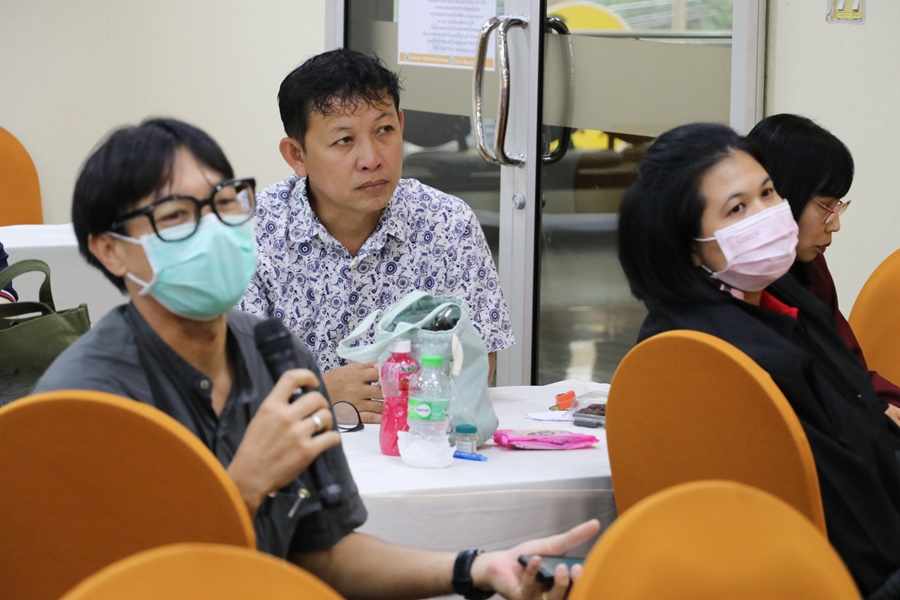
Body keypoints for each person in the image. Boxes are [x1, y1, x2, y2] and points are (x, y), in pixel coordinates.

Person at [34, 117, 598, 600]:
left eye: (224, 203)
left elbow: (324, 554)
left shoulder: (274, 357)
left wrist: (477, 569)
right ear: (110, 250)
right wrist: (243, 486)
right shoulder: (85, 400)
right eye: (178, 216)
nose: (214, 230)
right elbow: (108, 583)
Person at [617, 122, 900, 597]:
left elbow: (867, 435)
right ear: (687, 244)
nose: (768, 214)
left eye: (768, 193)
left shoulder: (787, 301)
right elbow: (842, 510)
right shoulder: (720, 354)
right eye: (737, 208)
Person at [239, 49, 514, 423]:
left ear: (401, 124)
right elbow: (230, 382)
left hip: (418, 438)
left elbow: (479, 359)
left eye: (384, 130)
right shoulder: (252, 233)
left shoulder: (447, 223)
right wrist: (317, 393)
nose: (371, 159)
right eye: (344, 140)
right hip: (298, 443)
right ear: (297, 155)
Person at [747, 113, 900, 415]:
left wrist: (882, 406)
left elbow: (849, 369)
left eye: (838, 206)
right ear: (780, 198)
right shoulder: (741, 288)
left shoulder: (812, 265)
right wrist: (871, 415)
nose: (835, 225)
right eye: (826, 207)